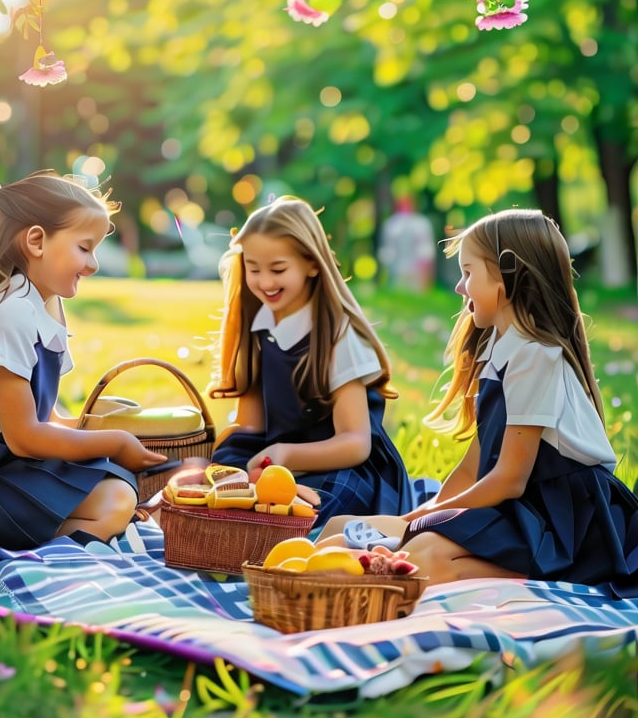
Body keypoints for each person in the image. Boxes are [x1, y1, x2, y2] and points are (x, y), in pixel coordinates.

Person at [321, 209, 638, 594]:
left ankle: (552, 580)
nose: (459, 287)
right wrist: (415, 516)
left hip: (567, 520)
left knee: (423, 554)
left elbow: (508, 480)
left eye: (468, 272)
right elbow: (473, 468)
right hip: (523, 506)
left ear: (508, 276)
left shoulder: (536, 354)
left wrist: (425, 522)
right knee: (342, 528)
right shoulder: (500, 346)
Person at [0, 170, 168, 558]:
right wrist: (115, 442)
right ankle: (29, 554)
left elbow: (48, 419)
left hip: (8, 463)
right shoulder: (8, 312)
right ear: (37, 241)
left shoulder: (42, 305)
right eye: (84, 248)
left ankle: (54, 544)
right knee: (115, 495)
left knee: (117, 489)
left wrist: (116, 431)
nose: (92, 265)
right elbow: (25, 436)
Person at [208, 195, 414, 528]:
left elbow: (355, 443)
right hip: (278, 460)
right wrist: (227, 468)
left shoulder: (337, 336)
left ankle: (271, 523)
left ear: (312, 264)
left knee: (310, 514)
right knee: (225, 469)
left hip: (340, 464)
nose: (265, 282)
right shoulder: (257, 326)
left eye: (278, 269)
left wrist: (288, 457)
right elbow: (251, 426)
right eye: (253, 268)